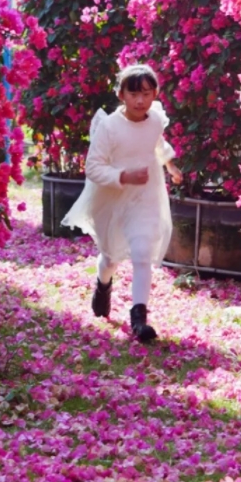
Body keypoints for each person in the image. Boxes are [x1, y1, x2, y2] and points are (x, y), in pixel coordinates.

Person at [61, 64, 183, 342]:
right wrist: (123, 176)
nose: (140, 100)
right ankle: (103, 284)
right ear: (121, 95)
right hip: (111, 197)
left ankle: (139, 319)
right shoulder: (109, 126)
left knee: (142, 252)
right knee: (111, 256)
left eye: (146, 93)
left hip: (146, 195)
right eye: (133, 93)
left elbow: (157, 145)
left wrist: (171, 167)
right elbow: (93, 167)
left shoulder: (154, 121)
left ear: (155, 94)